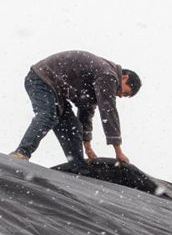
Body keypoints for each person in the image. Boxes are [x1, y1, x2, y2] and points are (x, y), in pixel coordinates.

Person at [9, 51, 141, 166]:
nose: (121, 96)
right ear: (124, 77)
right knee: (49, 115)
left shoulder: (99, 83)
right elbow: (108, 112)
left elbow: (86, 113)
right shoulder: (108, 75)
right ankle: (21, 153)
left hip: (56, 92)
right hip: (41, 79)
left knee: (72, 127)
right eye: (126, 93)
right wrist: (118, 152)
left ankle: (78, 167)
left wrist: (88, 149)